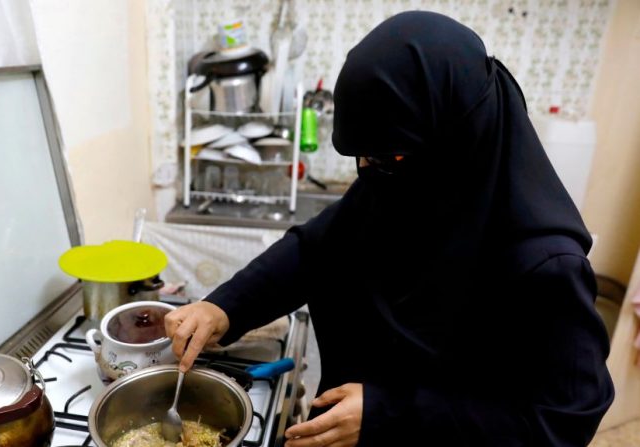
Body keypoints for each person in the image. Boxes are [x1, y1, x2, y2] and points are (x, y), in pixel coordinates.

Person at [164, 11, 613, 446]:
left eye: (386, 158)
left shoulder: (545, 264)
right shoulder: (403, 183)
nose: (368, 172)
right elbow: (315, 249)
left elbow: (559, 424)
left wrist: (388, 415)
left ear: (454, 136)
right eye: (362, 157)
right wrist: (224, 307)